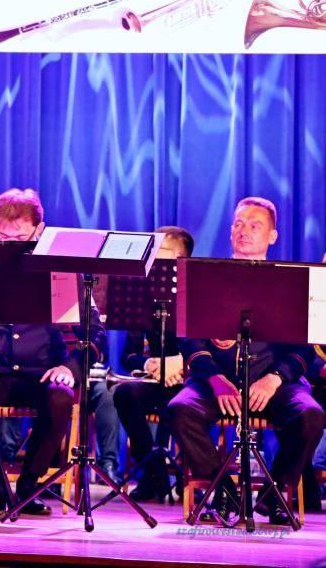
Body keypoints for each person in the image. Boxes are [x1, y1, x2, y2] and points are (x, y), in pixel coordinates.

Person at [167, 196, 326, 526]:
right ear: (230, 231)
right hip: (217, 380)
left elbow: (305, 348)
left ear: (272, 236)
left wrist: (275, 378)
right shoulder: (207, 277)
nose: (245, 231)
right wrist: (214, 379)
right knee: (180, 410)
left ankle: (275, 494)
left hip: (275, 383)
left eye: (255, 225)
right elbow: (189, 339)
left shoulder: (291, 281)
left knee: (310, 416)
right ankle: (223, 492)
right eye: (239, 224)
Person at [0, 188, 107, 516]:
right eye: (3, 237)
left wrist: (70, 367)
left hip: (42, 374)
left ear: (40, 230)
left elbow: (95, 333)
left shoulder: (62, 270)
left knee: (61, 398)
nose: (11, 245)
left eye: (20, 238)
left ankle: (28, 488)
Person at [113, 226, 194, 502]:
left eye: (165, 253)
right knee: (124, 394)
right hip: (156, 377)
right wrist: (150, 364)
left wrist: (179, 365)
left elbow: (207, 348)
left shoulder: (195, 295)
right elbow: (128, 356)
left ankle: (188, 479)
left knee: (183, 405)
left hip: (189, 380)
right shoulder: (142, 298)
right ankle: (154, 472)